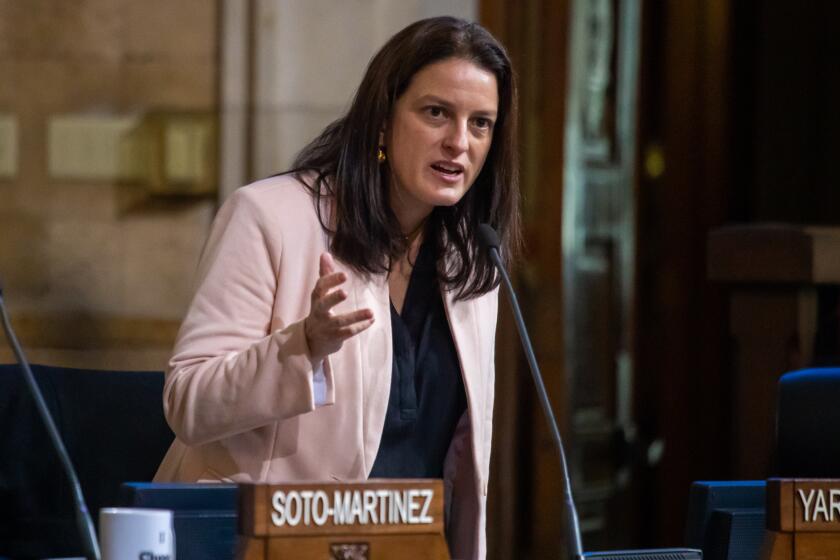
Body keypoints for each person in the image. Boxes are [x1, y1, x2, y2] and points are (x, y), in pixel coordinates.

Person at [154, 16, 520, 559]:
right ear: (381, 119)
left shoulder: (471, 258)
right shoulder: (270, 217)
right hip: (257, 541)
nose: (458, 142)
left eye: (481, 123)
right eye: (436, 112)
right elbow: (188, 402)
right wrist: (301, 347)